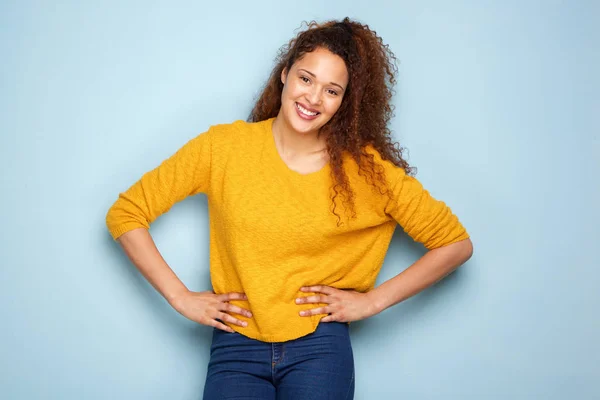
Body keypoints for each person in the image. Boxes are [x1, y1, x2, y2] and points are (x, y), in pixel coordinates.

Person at [106, 17, 473, 400]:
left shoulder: (367, 171)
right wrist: (180, 297)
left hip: (320, 346)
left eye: (332, 90)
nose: (313, 98)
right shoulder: (223, 148)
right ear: (285, 74)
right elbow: (126, 213)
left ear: (345, 101)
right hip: (236, 342)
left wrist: (372, 301)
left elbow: (455, 244)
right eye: (306, 79)